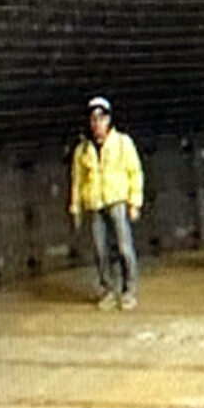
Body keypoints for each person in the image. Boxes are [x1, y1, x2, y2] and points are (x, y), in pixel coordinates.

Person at [70, 96, 144, 310]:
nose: (97, 124)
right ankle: (108, 290)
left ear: (109, 120)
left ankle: (129, 290)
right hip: (95, 204)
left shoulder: (122, 143)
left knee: (124, 248)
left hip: (116, 201)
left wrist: (134, 202)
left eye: (101, 119)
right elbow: (78, 180)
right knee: (100, 250)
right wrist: (76, 207)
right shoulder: (83, 150)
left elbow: (135, 172)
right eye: (93, 119)